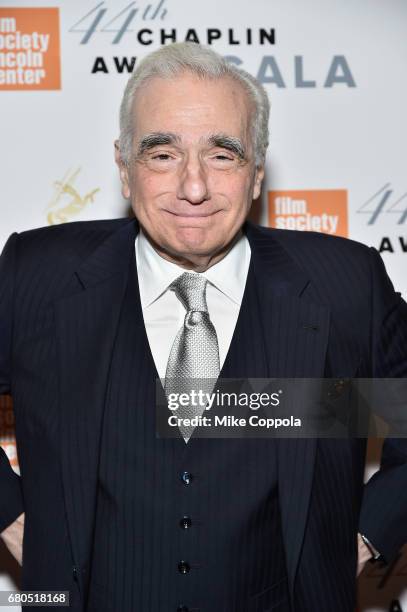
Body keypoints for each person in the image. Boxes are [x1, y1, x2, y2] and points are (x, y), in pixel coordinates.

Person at [0, 42, 406, 612]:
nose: (193, 187)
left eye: (222, 155)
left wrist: (364, 539)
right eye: (162, 154)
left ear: (258, 171)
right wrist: (16, 521)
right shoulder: (35, 274)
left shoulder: (344, 284)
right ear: (123, 168)